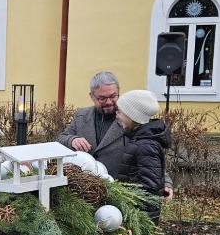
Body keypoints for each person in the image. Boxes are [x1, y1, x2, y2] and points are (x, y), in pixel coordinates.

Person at [57, 71, 173, 199]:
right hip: (85, 191)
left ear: (119, 92)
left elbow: (149, 156)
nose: (109, 102)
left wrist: (166, 183)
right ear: (92, 96)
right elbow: (60, 139)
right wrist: (72, 140)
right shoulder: (81, 116)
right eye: (102, 98)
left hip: (118, 193)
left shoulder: (131, 119)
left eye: (113, 96)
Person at [112, 90, 171, 223]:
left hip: (140, 217)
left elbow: (150, 188)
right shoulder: (140, 140)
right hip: (135, 213)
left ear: (132, 116)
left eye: (119, 111)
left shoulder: (145, 145)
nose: (117, 115)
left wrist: (122, 194)